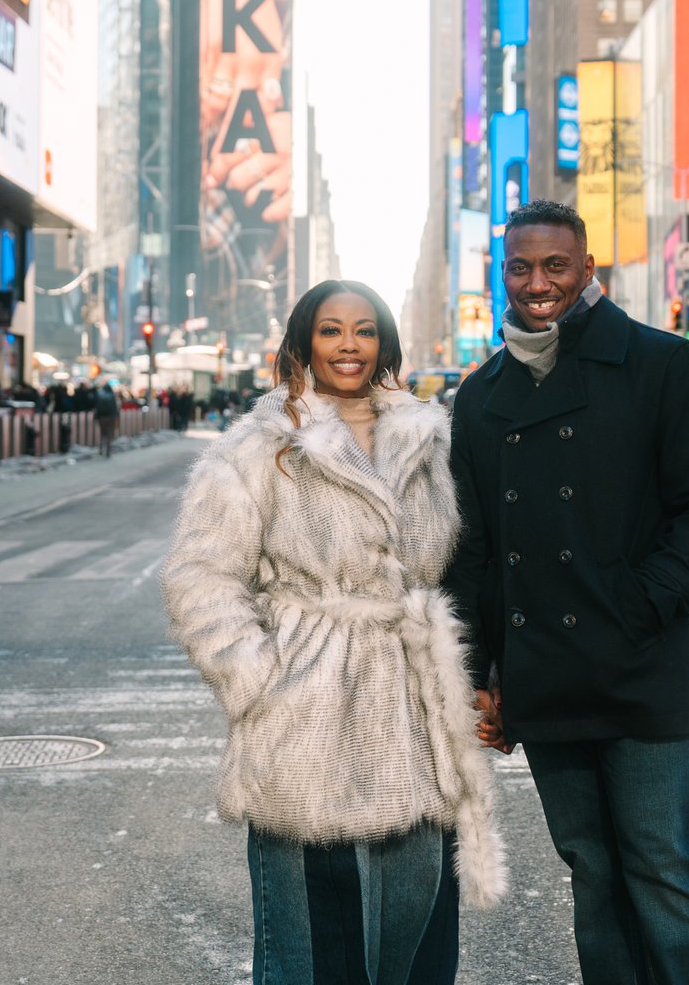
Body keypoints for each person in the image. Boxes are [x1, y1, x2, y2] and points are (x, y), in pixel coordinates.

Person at [161, 279, 506, 983]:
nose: (349, 345)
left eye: (364, 330)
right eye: (331, 330)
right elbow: (200, 578)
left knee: (416, 931)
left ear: (384, 343)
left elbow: (465, 566)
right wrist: (262, 684)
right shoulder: (260, 446)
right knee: (317, 948)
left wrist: (478, 678)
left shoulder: (429, 438)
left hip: (415, 713)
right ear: (303, 343)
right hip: (308, 723)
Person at [444, 199, 689, 984]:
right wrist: (477, 674)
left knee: (663, 866)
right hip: (543, 671)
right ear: (502, 274)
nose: (537, 282)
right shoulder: (480, 395)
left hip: (640, 663)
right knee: (592, 870)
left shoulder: (661, 363)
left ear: (587, 268)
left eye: (555, 265)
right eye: (520, 267)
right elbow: (474, 551)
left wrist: (640, 604)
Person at [91, 382, 120, 457]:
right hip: (111, 417)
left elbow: (96, 407)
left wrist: (96, 417)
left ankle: (101, 450)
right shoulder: (112, 395)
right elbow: (115, 407)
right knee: (109, 433)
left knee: (102, 433)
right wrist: (116, 417)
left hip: (102, 417)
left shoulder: (100, 395)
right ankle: (108, 450)